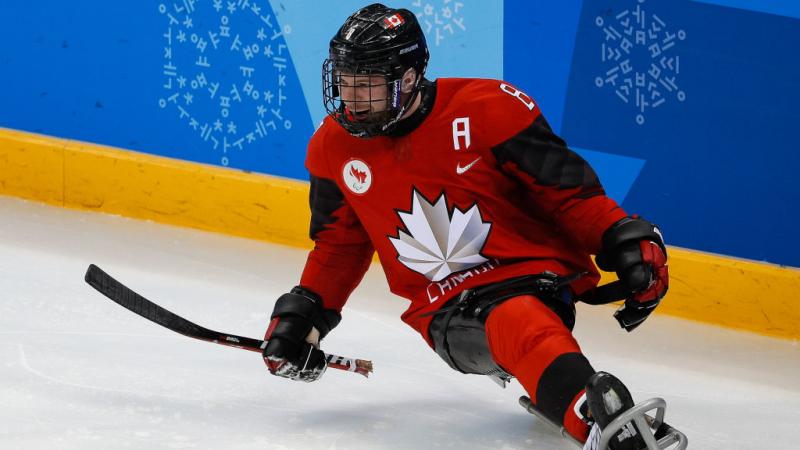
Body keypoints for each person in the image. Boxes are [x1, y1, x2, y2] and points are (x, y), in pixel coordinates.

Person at [260, 4, 671, 450]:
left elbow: (569, 195)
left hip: (533, 275)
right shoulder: (331, 146)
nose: (353, 98)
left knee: (522, 315)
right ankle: (591, 414)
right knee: (514, 320)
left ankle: (590, 414)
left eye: (369, 84)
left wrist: (623, 236)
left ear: (411, 77)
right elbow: (339, 246)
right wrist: (304, 315)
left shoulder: (489, 109)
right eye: (346, 82)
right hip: (446, 308)